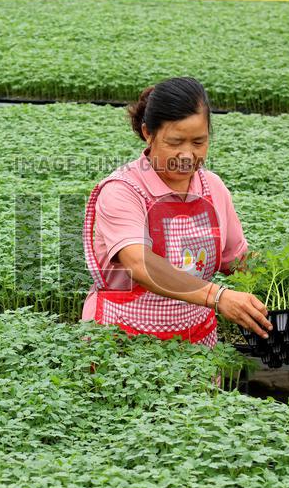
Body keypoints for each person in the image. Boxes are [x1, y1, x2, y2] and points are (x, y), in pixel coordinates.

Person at [82, 77, 272, 347]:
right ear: (148, 133)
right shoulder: (123, 190)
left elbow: (238, 260)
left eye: (198, 142)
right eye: (175, 142)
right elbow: (140, 264)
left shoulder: (213, 188)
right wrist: (218, 297)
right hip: (124, 343)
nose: (186, 155)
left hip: (196, 345)